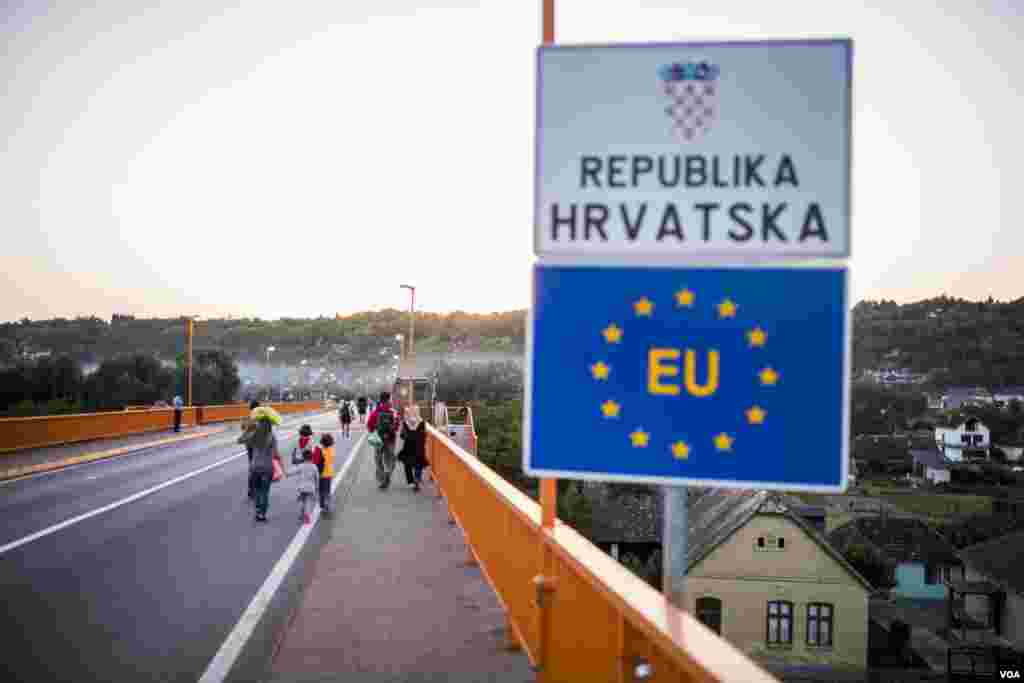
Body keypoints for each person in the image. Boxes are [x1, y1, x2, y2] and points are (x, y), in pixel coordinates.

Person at [240, 409, 283, 522]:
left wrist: (248, 429)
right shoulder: (272, 437)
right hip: (267, 468)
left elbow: (244, 442)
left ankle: (258, 511)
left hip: (255, 467)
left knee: (258, 491)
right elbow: (276, 454)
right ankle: (262, 514)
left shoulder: (254, 434)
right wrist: (282, 466)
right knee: (265, 491)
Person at [366, 391, 399, 490]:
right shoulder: (393, 412)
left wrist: (374, 431)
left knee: (378, 459)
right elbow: (397, 426)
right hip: (390, 439)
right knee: (390, 459)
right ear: (389, 399)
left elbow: (369, 426)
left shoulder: (375, 412)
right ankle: (388, 474)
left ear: (380, 400)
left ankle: (382, 478)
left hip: (378, 439)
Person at [397, 404, 427, 492]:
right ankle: (417, 478)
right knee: (418, 463)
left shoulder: (406, 422)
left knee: (407, 463)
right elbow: (424, 435)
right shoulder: (421, 422)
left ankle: (410, 481)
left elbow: (402, 435)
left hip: (408, 446)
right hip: (419, 446)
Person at [288, 446, 319, 524]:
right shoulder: (314, 467)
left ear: (303, 458)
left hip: (302, 488)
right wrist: (317, 488)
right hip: (311, 488)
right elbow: (317, 478)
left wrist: (287, 473)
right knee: (308, 502)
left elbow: (292, 472)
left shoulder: (301, 466)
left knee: (303, 501)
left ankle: (303, 514)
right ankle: (307, 515)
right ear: (312, 458)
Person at [313, 433, 336, 514]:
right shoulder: (331, 450)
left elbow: (315, 461)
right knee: (327, 490)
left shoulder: (320, 451)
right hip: (329, 473)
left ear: (322, 442)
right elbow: (331, 460)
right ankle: (327, 504)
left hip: (321, 474)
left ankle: (322, 505)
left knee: (321, 491)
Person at [243, 400, 261, 499]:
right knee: (258, 467)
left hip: (249, 445)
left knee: (252, 466)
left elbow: (243, 428)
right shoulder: (260, 419)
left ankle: (251, 489)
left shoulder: (248, 418)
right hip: (257, 446)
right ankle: (256, 488)